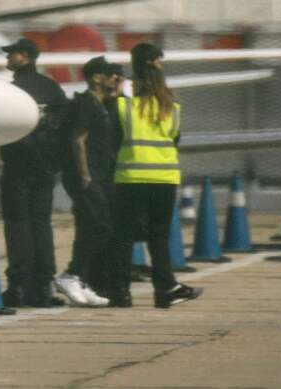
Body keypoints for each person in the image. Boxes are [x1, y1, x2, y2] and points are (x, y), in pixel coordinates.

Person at [110, 43, 201, 309]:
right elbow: (175, 140)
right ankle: (164, 290)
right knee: (159, 237)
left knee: (124, 236)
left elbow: (113, 140)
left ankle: (120, 293)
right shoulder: (172, 108)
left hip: (130, 179)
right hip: (164, 179)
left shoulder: (123, 108)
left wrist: (117, 94)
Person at [0, 37, 68, 307]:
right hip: (45, 168)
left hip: (17, 166)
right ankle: (43, 285)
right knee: (41, 223)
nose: (8, 58)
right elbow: (64, 124)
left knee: (17, 223)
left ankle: (17, 284)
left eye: (12, 54)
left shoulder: (12, 91)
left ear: (25, 57)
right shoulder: (52, 89)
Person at [55, 56, 116, 307]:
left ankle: (80, 278)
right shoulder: (87, 104)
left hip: (97, 175)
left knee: (91, 224)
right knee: (99, 223)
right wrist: (85, 175)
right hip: (85, 176)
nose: (114, 78)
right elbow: (77, 140)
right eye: (109, 74)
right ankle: (71, 274)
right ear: (96, 78)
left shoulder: (100, 103)